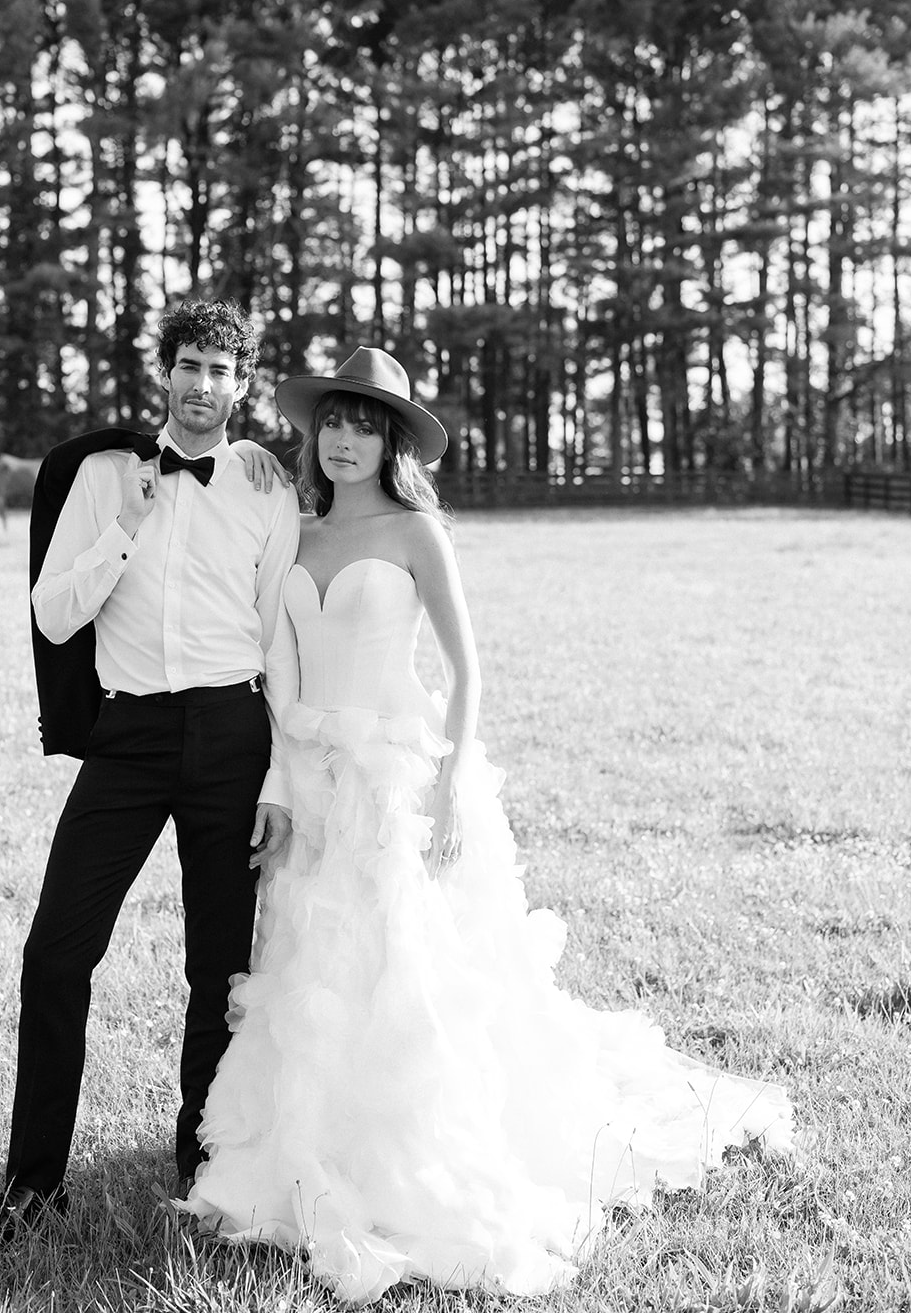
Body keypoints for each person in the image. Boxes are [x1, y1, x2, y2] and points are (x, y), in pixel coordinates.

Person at [182, 346, 794, 1302]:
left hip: (398, 778)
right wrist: (281, 786)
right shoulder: (291, 534)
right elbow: (279, 675)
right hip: (313, 780)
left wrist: (449, 783)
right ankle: (305, 1155)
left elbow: (467, 673)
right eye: (333, 423)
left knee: (408, 978)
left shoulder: (420, 531)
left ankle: (414, 1160)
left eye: (364, 427)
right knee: (312, 975)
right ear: (315, 433)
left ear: (389, 442)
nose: (343, 441)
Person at [0, 300, 300, 1240]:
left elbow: (279, 639)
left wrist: (277, 779)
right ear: (164, 374)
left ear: (242, 386)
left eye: (220, 370)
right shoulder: (103, 476)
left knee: (218, 969)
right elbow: (52, 617)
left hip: (233, 739)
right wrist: (122, 529)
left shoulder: (266, 488)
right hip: (126, 740)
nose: (203, 385)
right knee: (55, 957)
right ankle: (33, 1187)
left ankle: (201, 1175)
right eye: (188, 365)